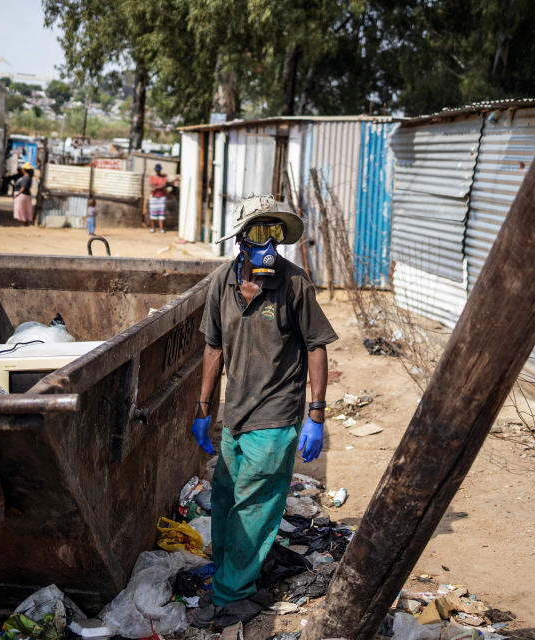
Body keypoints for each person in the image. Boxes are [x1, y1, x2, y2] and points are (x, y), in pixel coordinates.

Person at [190, 194, 337, 627]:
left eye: (275, 234)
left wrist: (316, 415)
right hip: (236, 417)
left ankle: (229, 594)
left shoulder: (294, 284)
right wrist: (204, 409)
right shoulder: (222, 282)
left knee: (254, 508)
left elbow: (316, 347)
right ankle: (228, 572)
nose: (269, 244)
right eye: (259, 233)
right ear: (241, 240)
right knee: (225, 500)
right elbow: (213, 349)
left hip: (275, 419)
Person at [148, 163, 168, 233]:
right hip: (153, 197)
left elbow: (164, 185)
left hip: (161, 196)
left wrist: (155, 188)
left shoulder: (164, 177)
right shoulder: (152, 177)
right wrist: (157, 188)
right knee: (153, 213)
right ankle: (153, 228)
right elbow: (151, 184)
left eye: (159, 170)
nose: (158, 171)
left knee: (161, 213)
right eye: (157, 170)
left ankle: (161, 228)